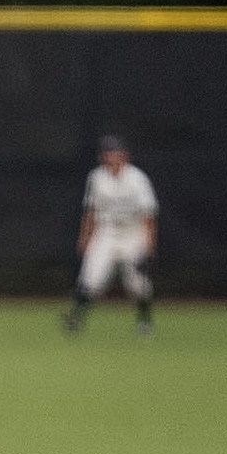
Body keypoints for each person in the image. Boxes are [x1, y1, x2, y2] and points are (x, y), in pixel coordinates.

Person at [63, 134, 158, 336]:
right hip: (106, 232)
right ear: (103, 156)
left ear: (124, 155)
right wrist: (85, 236)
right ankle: (76, 319)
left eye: (115, 152)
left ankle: (144, 322)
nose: (111, 157)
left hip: (133, 233)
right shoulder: (96, 177)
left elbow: (148, 215)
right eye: (108, 153)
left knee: (137, 283)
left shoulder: (137, 179)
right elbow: (90, 210)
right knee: (91, 278)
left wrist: (149, 244)